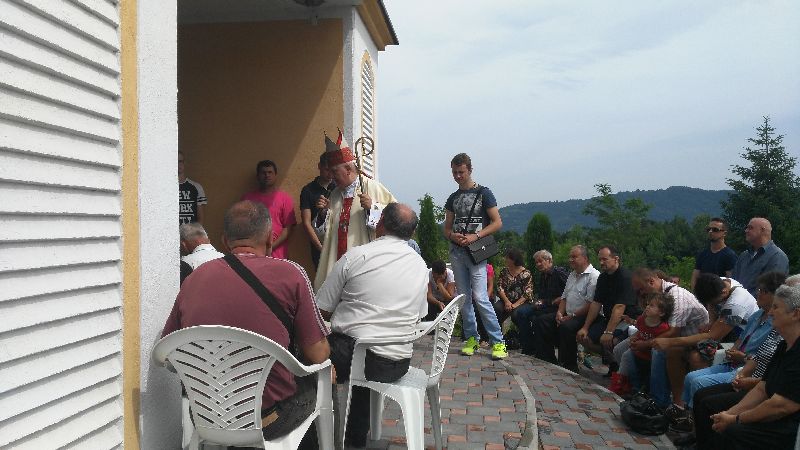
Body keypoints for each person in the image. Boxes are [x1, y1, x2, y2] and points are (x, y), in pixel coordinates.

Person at [162, 201, 330, 445]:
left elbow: (168, 353)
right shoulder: (292, 274)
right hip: (270, 419)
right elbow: (318, 354)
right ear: (270, 239)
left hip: (206, 416)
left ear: (224, 240)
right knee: (321, 382)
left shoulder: (193, 279)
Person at [316, 203, 428, 448]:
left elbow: (320, 309)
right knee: (364, 349)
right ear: (411, 233)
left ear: (380, 223)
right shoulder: (420, 265)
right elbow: (420, 314)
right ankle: (354, 438)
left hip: (354, 357)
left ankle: (315, 438)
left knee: (309, 354)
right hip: (397, 362)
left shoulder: (357, 256)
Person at [690, 274, 800, 449]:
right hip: (767, 400)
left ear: (795, 314)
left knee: (732, 431)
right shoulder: (784, 344)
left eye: (776, 307)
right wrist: (728, 414)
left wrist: (735, 419)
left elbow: (781, 406)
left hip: (789, 424)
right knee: (708, 404)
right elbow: (763, 387)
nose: (771, 312)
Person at [650, 274, 757, 430]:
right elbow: (712, 306)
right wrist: (711, 322)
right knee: (674, 351)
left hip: (738, 343)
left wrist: (670, 341)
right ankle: (679, 405)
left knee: (697, 357)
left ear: (724, 293)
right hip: (724, 333)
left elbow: (714, 336)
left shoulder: (736, 304)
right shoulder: (717, 283)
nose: (711, 305)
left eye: (714, 302)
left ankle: (698, 414)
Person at [681, 272, 785, 410]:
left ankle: (696, 418)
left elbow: (767, 358)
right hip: (734, 362)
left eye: (763, 291)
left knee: (698, 382)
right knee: (690, 377)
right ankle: (688, 413)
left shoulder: (776, 323)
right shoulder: (757, 315)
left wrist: (743, 357)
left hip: (748, 369)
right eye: (759, 289)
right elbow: (741, 339)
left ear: (776, 295)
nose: (758, 293)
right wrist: (733, 350)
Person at [443, 153, 506, 360]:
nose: (458, 176)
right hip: (457, 252)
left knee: (480, 296)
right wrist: (453, 236)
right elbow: (446, 228)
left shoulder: (484, 193)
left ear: (470, 170)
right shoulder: (452, 198)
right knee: (464, 298)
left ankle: (498, 342)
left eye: (461, 172)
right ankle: (471, 338)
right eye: (454, 172)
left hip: (477, 252)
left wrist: (475, 236)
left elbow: (497, 222)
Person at [314, 130, 396, 289]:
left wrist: (373, 207)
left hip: (365, 265)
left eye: (334, 172)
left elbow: (398, 220)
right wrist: (323, 214)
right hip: (337, 263)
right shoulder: (334, 194)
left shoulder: (372, 187)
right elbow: (325, 235)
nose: (331, 177)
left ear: (348, 169)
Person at [626, 268, 708, 410]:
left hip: (693, 341)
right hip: (676, 338)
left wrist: (645, 344)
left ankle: (659, 400)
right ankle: (635, 388)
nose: (641, 294)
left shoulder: (677, 297)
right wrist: (637, 338)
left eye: (641, 289)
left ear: (651, 282)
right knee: (624, 349)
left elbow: (673, 332)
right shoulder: (661, 295)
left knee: (657, 351)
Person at [531, 245, 600, 372]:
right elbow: (564, 297)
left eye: (574, 257)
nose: (570, 260)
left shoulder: (593, 276)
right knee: (541, 321)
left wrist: (570, 316)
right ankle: (547, 358)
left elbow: (591, 304)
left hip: (583, 315)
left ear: (585, 258)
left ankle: (570, 365)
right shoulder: (572, 275)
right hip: (568, 313)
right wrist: (559, 312)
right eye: (570, 257)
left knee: (566, 326)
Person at [576, 246, 639, 371]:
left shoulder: (625, 277)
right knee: (584, 338)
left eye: (604, 259)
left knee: (611, 342)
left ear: (616, 259)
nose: (601, 262)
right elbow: (596, 303)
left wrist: (608, 332)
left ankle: (620, 371)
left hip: (628, 320)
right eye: (599, 259)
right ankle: (612, 363)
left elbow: (620, 307)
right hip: (609, 318)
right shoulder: (603, 278)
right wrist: (585, 327)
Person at [612, 293, 673, 396]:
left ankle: (639, 389)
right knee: (626, 355)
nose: (647, 307)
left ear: (662, 313)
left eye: (652, 305)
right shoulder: (642, 320)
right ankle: (622, 383)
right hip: (637, 352)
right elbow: (639, 329)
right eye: (648, 304)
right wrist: (633, 338)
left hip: (650, 356)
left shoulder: (663, 328)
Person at [511, 249, 569, 355]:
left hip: (557, 307)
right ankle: (529, 346)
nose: (538, 264)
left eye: (540, 261)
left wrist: (557, 300)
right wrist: (538, 302)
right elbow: (542, 296)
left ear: (549, 260)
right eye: (536, 262)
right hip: (544, 305)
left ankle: (539, 351)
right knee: (518, 314)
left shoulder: (559, 273)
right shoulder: (543, 275)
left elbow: (569, 292)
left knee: (536, 319)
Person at [241, 160, 297, 259]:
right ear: (258, 176)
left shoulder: (285, 199)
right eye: (263, 173)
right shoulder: (247, 199)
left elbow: (288, 228)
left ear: (275, 175)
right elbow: (242, 225)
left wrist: (270, 247)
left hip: (278, 254)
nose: (267, 175)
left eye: (270, 172)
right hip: (252, 253)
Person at [731, 217, 789, 297]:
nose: (746, 231)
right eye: (747, 228)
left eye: (750, 228)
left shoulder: (777, 257)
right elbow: (733, 281)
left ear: (762, 230)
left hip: (757, 304)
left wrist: (744, 300)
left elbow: (770, 290)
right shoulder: (744, 256)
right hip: (737, 302)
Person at [299, 153, 335, 269]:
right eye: (327, 170)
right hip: (319, 246)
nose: (330, 174)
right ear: (319, 166)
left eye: (333, 170)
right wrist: (320, 248)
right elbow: (306, 223)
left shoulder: (339, 188)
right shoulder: (308, 190)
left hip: (338, 243)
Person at [691, 218, 738, 290]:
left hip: (720, 295)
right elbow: (695, 277)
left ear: (724, 233)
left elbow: (731, 281)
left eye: (715, 230)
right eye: (708, 229)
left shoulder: (730, 256)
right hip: (702, 295)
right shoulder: (703, 254)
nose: (710, 231)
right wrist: (695, 294)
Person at [495, 248, 534, 327]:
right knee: (496, 309)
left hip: (522, 302)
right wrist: (507, 302)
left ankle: (522, 333)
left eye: (507, 258)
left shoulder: (526, 274)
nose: (505, 259)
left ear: (514, 260)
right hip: (506, 300)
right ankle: (497, 333)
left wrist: (514, 305)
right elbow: (499, 287)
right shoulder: (504, 271)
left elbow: (528, 292)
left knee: (516, 314)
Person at [178, 150, 207, 225]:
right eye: (175, 161)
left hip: (191, 231)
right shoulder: (166, 189)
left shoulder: (196, 187)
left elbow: (200, 218)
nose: (178, 164)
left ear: (184, 163)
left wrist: (196, 231)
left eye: (180, 161)